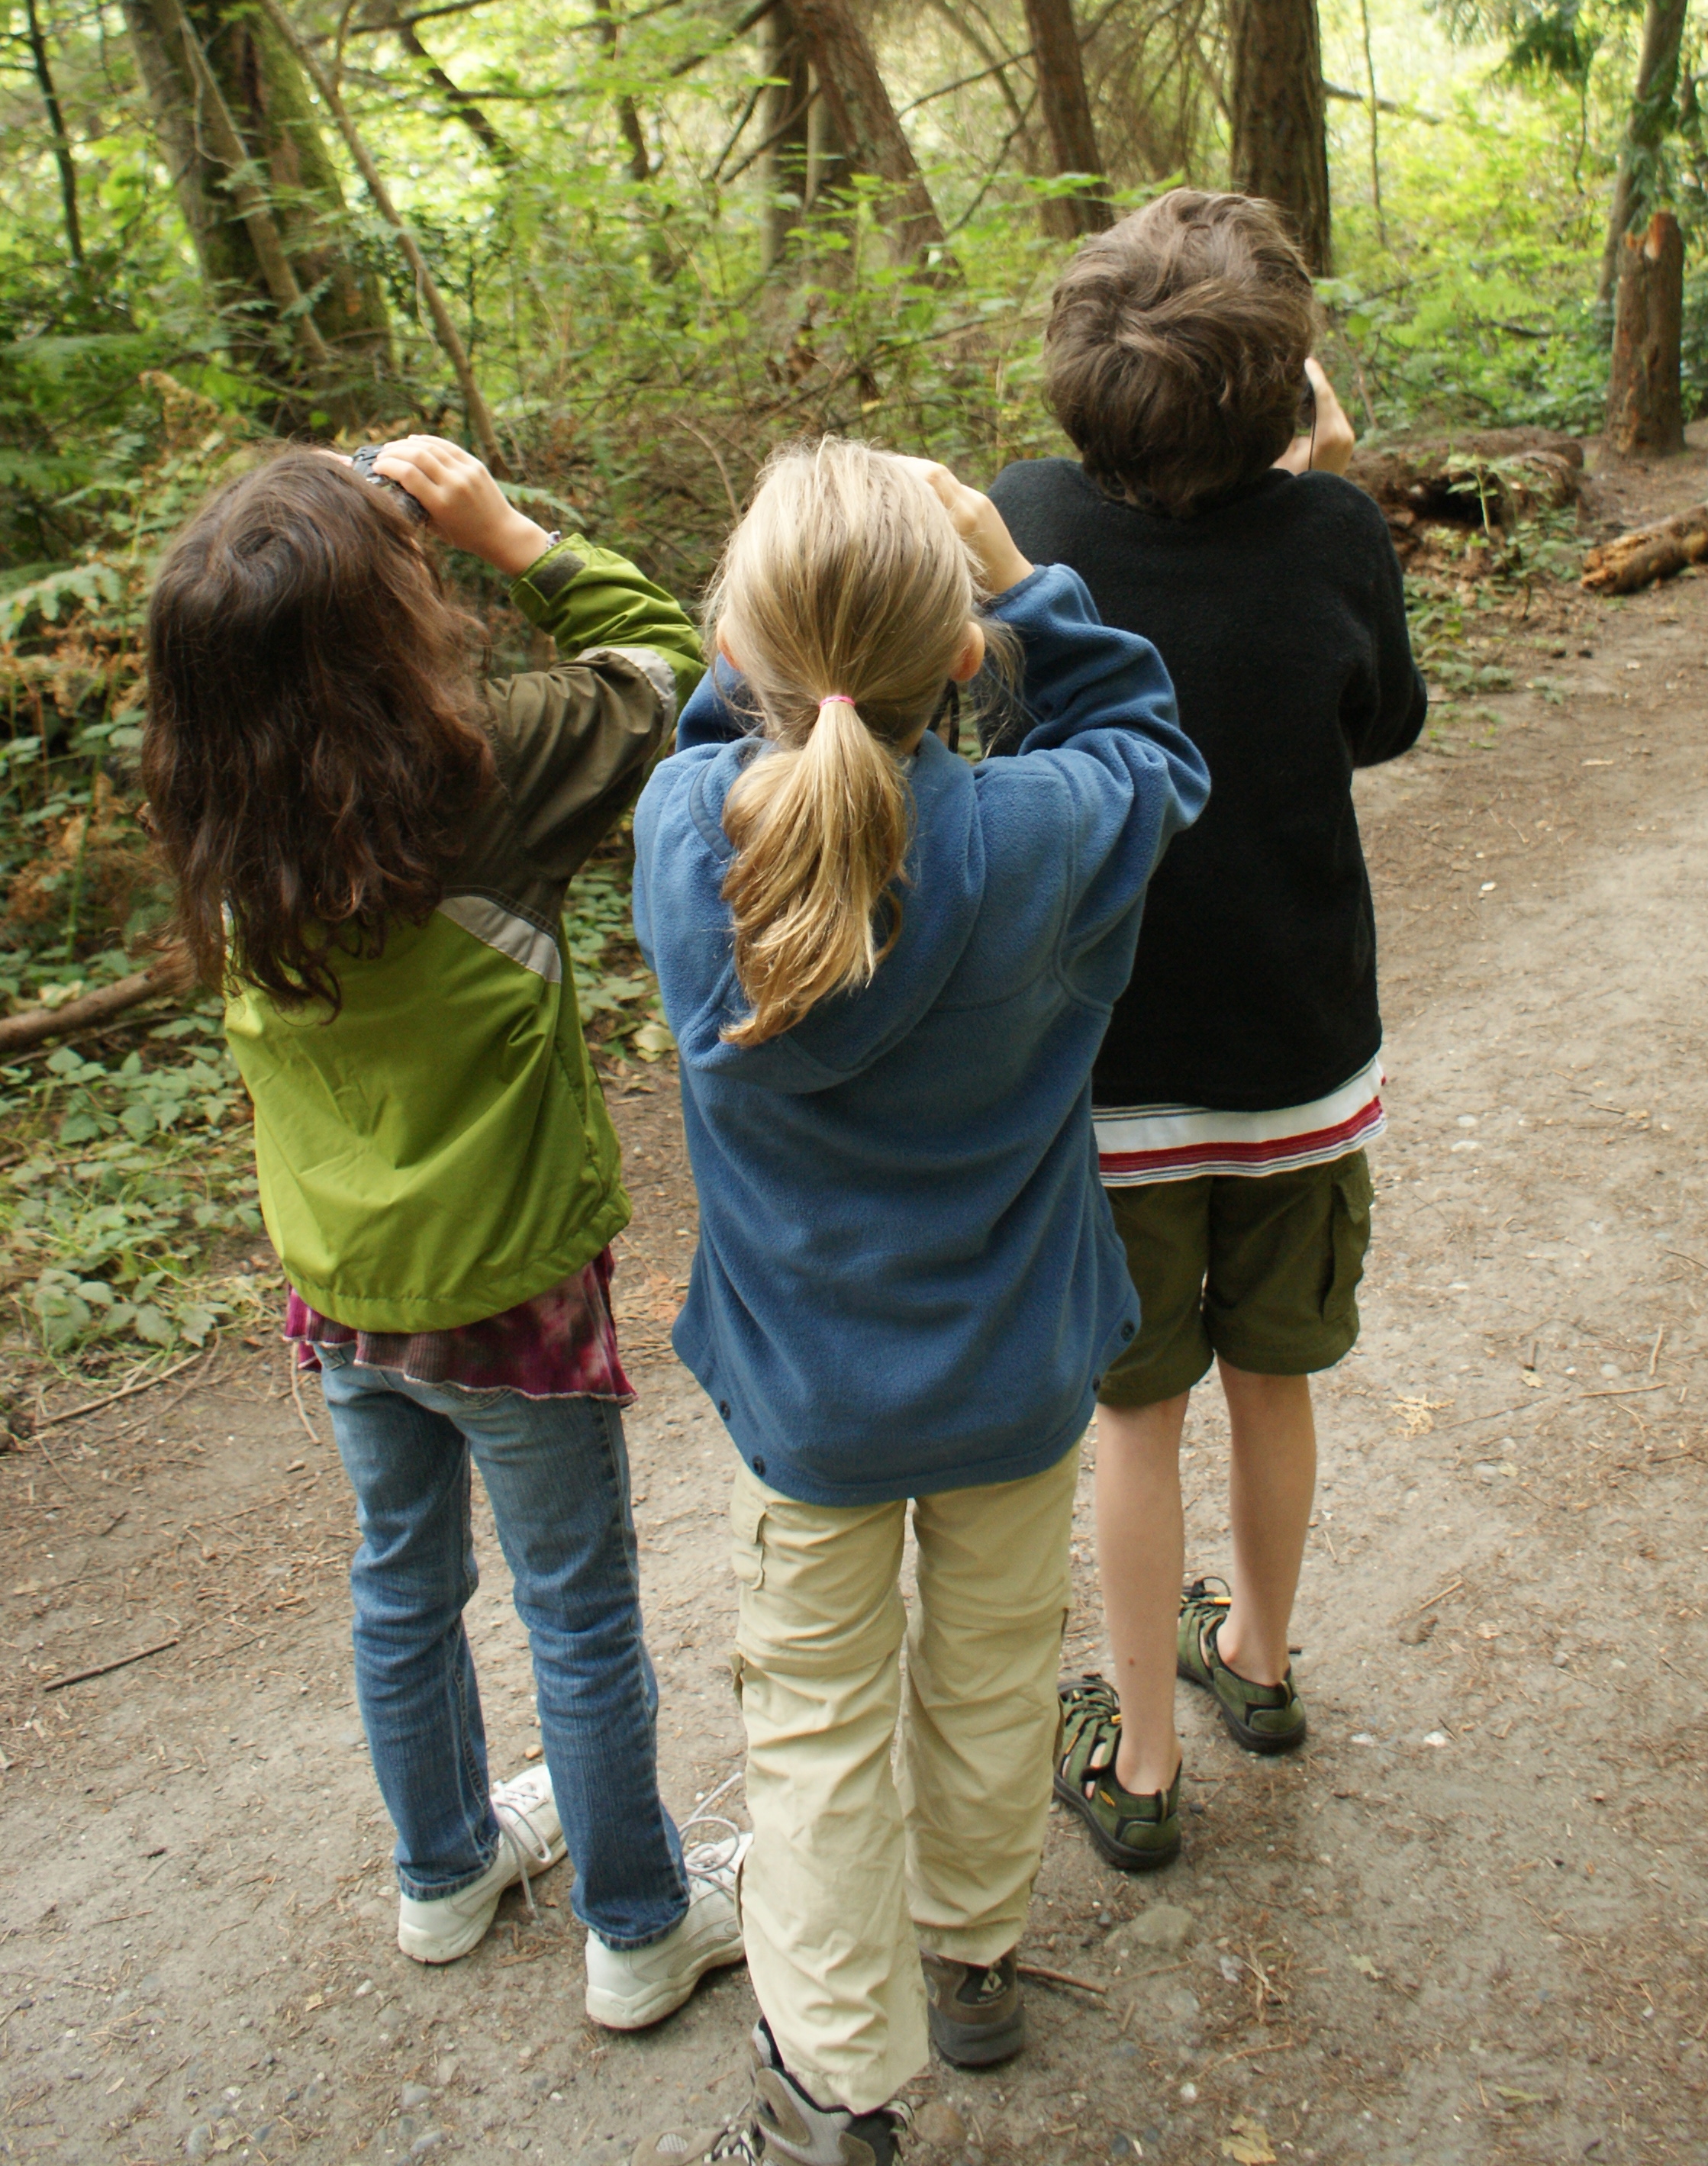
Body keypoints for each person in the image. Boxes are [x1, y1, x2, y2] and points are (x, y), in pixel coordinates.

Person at [630, 439, 1207, 2166]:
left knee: (810, 1726)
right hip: (1018, 1377)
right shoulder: (1042, 835)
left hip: (806, 1403)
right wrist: (1018, 572)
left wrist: (778, 644)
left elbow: (706, 742)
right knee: (989, 1674)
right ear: (961, 658)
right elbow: (1152, 749)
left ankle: (835, 2089)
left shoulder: (684, 837)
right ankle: (973, 1962)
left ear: (742, 645)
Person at [141, 435, 745, 2033]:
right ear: (394, 614)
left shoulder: (212, 806)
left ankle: (443, 1873)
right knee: (579, 1607)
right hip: (510, 1298)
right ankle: (638, 1923)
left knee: (401, 1581)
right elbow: (686, 668)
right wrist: (510, 532)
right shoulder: (482, 770)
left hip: (343, 1289)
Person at [988, 189, 1427, 1872]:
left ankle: (1147, 1764)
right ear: (1289, 382)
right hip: (1301, 1067)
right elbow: (1376, 718)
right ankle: (1257, 1659)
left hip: (1110, 1086)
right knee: (1279, 1382)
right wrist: (1317, 482)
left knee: (1135, 1418)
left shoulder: (1023, 522)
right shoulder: (1338, 536)